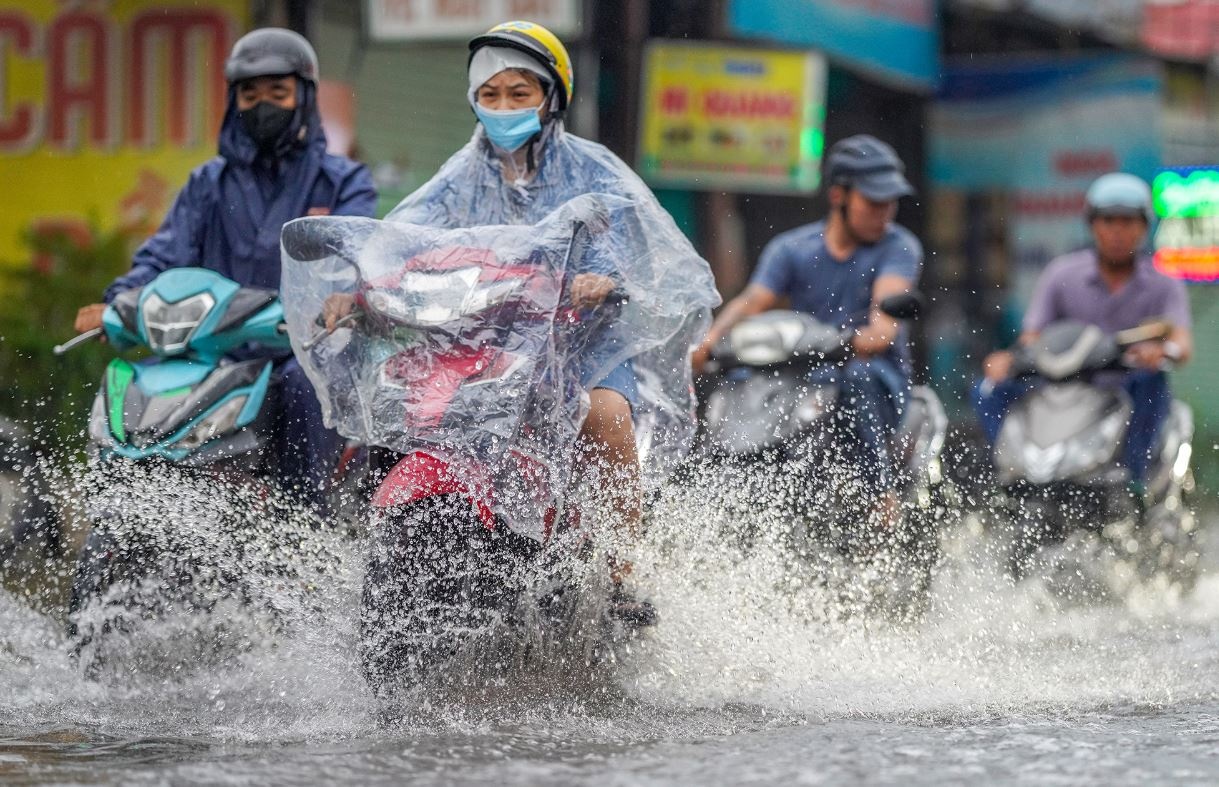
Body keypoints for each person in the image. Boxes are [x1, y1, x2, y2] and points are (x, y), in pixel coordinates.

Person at [321, 20, 718, 597]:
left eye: (519, 93)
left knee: (605, 416)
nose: (503, 107)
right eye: (490, 95)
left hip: (582, 343)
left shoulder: (595, 169)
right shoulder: (459, 176)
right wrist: (356, 289)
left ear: (552, 97)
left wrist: (601, 281)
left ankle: (622, 572)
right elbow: (403, 236)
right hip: (488, 344)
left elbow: (639, 250)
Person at [73, 28, 377, 507]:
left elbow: (358, 254)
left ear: (304, 96)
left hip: (297, 348)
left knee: (304, 386)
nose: (263, 105)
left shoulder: (342, 182)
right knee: (141, 387)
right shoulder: (207, 184)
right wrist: (118, 301)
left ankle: (305, 528)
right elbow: (163, 254)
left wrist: (338, 297)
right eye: (249, 93)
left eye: (278, 92)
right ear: (233, 99)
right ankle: (116, 518)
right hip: (215, 348)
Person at [692, 134, 923, 524]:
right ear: (839, 196)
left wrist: (874, 335)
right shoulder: (791, 249)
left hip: (878, 378)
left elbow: (884, 317)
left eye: (890, 202)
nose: (885, 212)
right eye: (873, 201)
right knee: (736, 382)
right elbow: (752, 301)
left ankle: (878, 495)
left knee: (858, 376)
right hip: (804, 371)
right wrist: (709, 341)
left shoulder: (899, 247)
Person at [975, 172, 1192, 487]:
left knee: (1153, 382)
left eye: (1128, 221)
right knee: (988, 389)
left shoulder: (1164, 284)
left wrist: (1161, 351)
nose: (1117, 231)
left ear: (1144, 227)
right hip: (1063, 386)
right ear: (1092, 225)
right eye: (1108, 221)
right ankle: (1011, 473)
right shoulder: (1062, 274)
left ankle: (1135, 480)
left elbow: (1181, 344)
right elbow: (1032, 337)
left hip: (1122, 386)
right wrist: (1011, 359)